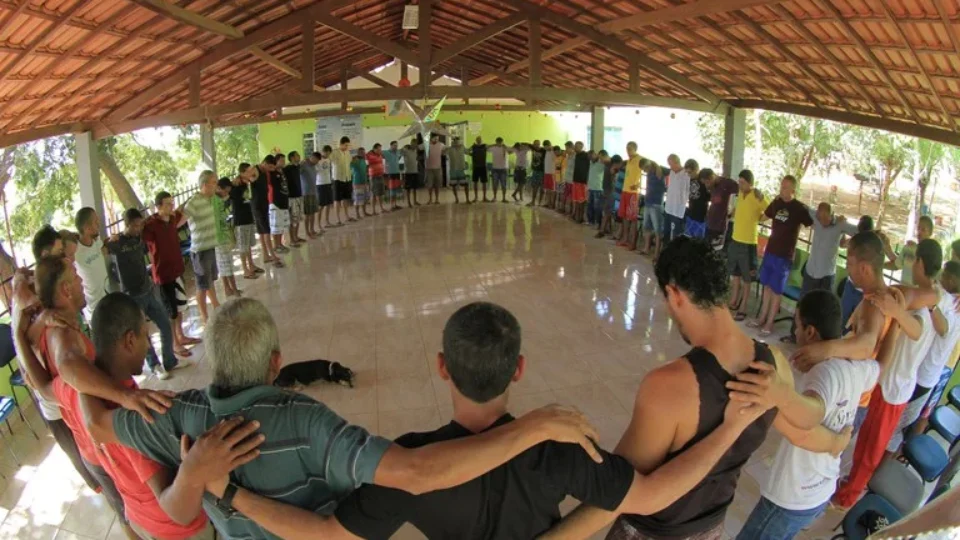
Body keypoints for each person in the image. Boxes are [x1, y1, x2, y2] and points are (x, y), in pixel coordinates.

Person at [200, 302, 771, 539]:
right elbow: (646, 496)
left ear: (441, 368)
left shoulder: (410, 463)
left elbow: (326, 535)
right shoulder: (561, 449)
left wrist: (232, 494)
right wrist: (728, 429)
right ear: (518, 369)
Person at [81, 297, 606, 540]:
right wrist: (533, 426)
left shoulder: (172, 414)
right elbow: (416, 473)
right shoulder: (308, 422)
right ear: (276, 363)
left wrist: (69, 361)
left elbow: (96, 424)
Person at [554, 237, 778, 540]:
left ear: (674, 293)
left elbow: (618, 491)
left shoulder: (669, 386)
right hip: (711, 530)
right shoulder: (772, 366)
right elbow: (812, 430)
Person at [22, 291, 217, 539]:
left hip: (137, 519)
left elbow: (43, 387)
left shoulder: (74, 390)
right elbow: (174, 503)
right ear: (128, 341)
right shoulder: (139, 415)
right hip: (174, 530)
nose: (148, 345)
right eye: (145, 336)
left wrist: (18, 334)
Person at [27, 256, 176, 536]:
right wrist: (125, 396)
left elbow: (44, 386)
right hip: (98, 449)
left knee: (127, 507)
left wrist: (23, 340)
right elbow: (70, 366)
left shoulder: (50, 327)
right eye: (75, 275)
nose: (82, 280)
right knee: (128, 513)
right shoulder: (65, 339)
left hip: (94, 448)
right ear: (66, 289)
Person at [730, 290, 876, 540]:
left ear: (810, 332)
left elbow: (807, 423)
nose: (794, 333)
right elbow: (879, 365)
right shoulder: (857, 367)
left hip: (792, 497)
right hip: (821, 491)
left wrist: (777, 395)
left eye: (796, 325)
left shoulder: (823, 374)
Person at [830, 239, 942, 509]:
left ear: (921, 265)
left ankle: (847, 498)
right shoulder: (918, 299)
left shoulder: (921, 315)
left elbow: (915, 330)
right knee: (864, 442)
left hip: (894, 391)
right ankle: (850, 483)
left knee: (870, 450)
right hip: (884, 384)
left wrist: (896, 311)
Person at [105, 208, 184, 379]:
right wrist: (108, 239)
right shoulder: (117, 243)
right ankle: (154, 364)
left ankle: (169, 360)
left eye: (140, 224)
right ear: (127, 225)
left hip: (147, 289)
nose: (139, 228)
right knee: (143, 332)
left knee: (164, 324)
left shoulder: (139, 238)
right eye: (135, 225)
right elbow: (102, 248)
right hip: (132, 296)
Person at [782, 203, 858, 343]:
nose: (822, 221)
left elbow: (858, 230)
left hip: (827, 275)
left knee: (823, 309)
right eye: (819, 217)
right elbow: (803, 206)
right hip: (811, 271)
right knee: (802, 304)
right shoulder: (815, 217)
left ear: (831, 214)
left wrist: (847, 228)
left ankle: (819, 342)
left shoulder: (840, 225)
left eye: (825, 218)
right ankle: (794, 335)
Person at [749, 175, 813, 336]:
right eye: (781, 186)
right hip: (770, 251)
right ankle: (761, 318)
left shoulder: (799, 208)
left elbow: (812, 224)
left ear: (793, 190)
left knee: (776, 290)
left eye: (785, 187)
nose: (782, 189)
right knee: (766, 287)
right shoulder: (777, 203)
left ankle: (769, 324)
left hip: (784, 256)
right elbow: (764, 216)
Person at [909, 260, 960, 436]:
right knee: (909, 418)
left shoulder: (951, 305)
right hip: (924, 370)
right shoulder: (948, 298)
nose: (940, 277)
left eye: (944, 275)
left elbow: (944, 328)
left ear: (952, 280)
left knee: (910, 421)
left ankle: (897, 455)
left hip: (927, 373)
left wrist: (932, 307)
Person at [183, 171, 223, 324]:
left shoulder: (210, 199)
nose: (216, 185)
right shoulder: (194, 202)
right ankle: (204, 317)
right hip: (200, 251)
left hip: (210, 247)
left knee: (210, 280)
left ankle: (216, 306)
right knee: (202, 285)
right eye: (214, 183)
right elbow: (181, 219)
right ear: (205, 185)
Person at [727, 170, 767, 322]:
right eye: (739, 182)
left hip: (749, 242)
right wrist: (733, 213)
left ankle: (743, 306)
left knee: (747, 277)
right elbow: (738, 209)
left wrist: (758, 219)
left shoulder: (756, 196)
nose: (740, 184)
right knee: (735, 274)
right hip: (736, 239)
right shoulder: (739, 194)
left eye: (743, 182)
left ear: (750, 183)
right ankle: (734, 300)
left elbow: (769, 211)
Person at [839, 215, 876, 329]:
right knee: (845, 321)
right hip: (852, 286)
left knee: (854, 324)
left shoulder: (872, 244)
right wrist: (843, 229)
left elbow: (842, 243)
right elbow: (842, 244)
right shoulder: (855, 240)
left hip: (864, 291)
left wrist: (842, 229)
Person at [73, 207, 110, 322]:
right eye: (95, 221)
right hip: (94, 310)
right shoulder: (76, 251)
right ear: (87, 228)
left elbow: (103, 251)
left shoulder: (96, 242)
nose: (99, 224)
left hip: (107, 300)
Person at [224, 165, 260, 280]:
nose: (252, 172)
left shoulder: (246, 183)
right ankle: (245, 269)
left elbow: (256, 175)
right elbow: (229, 197)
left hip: (248, 217)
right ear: (242, 172)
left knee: (248, 244)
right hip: (241, 220)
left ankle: (251, 265)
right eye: (249, 171)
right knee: (243, 246)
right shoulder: (235, 185)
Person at [882, 214, 934, 287]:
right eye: (918, 228)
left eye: (923, 230)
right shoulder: (909, 248)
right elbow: (896, 265)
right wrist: (879, 265)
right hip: (904, 293)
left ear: (930, 233)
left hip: (919, 295)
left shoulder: (932, 254)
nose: (919, 232)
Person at [214, 178, 240, 298]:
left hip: (227, 234)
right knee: (225, 264)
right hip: (220, 237)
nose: (227, 194)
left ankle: (229, 288)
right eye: (225, 192)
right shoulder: (215, 202)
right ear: (219, 188)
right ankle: (231, 288)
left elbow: (230, 217)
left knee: (226, 263)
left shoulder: (227, 200)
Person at [251, 156, 279, 267]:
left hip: (264, 203)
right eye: (270, 167)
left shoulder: (264, 172)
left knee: (262, 232)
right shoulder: (255, 170)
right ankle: (272, 255)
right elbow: (247, 178)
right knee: (266, 231)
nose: (271, 169)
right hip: (257, 205)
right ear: (264, 163)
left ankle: (265, 256)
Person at [616, 143, 642, 250]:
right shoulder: (628, 161)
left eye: (630, 149)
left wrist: (638, 184)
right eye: (627, 149)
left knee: (633, 218)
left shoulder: (640, 159)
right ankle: (625, 239)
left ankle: (633, 242)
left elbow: (650, 166)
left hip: (633, 193)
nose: (628, 151)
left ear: (635, 149)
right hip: (625, 191)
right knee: (624, 217)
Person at [639, 160, 666, 258]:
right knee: (647, 226)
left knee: (657, 229)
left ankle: (656, 253)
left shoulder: (660, 172)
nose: (645, 172)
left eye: (645, 169)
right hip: (648, 202)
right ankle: (646, 248)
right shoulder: (649, 174)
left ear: (648, 167)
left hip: (656, 204)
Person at [705, 174, 739, 249]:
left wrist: (734, 210)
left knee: (716, 250)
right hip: (710, 223)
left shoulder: (727, 183)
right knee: (707, 249)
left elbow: (741, 192)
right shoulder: (712, 187)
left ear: (712, 177)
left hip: (720, 225)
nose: (706, 185)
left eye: (707, 182)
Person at [662, 155, 690, 243]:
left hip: (678, 211)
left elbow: (688, 191)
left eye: (671, 164)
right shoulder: (671, 172)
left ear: (677, 162)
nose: (670, 167)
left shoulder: (686, 174)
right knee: (666, 233)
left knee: (675, 236)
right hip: (668, 208)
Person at [595, 154, 623, 239]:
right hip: (611, 192)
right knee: (608, 212)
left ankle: (604, 229)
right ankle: (603, 230)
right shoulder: (612, 169)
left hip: (608, 191)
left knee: (608, 212)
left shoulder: (608, 167)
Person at [268, 153, 292, 252]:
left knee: (281, 225)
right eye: (281, 160)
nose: (283, 162)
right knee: (275, 226)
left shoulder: (282, 172)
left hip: (284, 202)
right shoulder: (271, 173)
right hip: (275, 203)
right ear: (275, 162)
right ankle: (276, 246)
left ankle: (280, 244)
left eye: (284, 160)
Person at [283, 151, 306, 246]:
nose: (299, 156)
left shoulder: (297, 167)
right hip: (291, 197)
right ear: (292, 157)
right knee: (293, 220)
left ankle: (296, 237)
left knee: (298, 219)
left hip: (299, 196)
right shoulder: (287, 168)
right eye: (297, 155)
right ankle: (292, 240)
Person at [331, 136, 354, 223]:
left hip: (347, 178)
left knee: (346, 199)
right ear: (341, 144)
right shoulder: (334, 152)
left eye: (348, 145)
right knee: (337, 200)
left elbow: (350, 162)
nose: (347, 147)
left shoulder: (348, 153)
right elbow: (327, 159)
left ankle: (347, 216)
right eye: (345, 145)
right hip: (338, 179)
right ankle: (338, 219)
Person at [299, 151, 321, 238]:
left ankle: (312, 230)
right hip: (306, 193)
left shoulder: (314, 166)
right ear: (312, 157)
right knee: (307, 214)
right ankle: (307, 232)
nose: (317, 162)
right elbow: (298, 172)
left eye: (318, 161)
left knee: (313, 213)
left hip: (313, 192)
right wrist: (301, 163)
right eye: (316, 160)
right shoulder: (304, 165)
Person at [684, 169, 711, 239]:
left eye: (690, 172)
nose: (688, 175)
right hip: (690, 215)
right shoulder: (690, 180)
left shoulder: (704, 181)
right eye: (687, 173)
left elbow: (710, 197)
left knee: (698, 241)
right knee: (687, 239)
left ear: (695, 169)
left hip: (700, 217)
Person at [316, 145, 337, 227]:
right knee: (321, 205)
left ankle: (327, 222)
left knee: (328, 204)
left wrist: (331, 181)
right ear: (323, 151)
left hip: (328, 183)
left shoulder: (329, 160)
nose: (328, 154)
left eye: (329, 153)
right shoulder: (318, 160)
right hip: (320, 184)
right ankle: (319, 224)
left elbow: (329, 171)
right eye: (327, 153)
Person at [571, 141, 590, 223]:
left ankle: (581, 217)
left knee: (581, 201)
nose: (575, 148)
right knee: (577, 200)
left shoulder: (586, 155)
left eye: (577, 146)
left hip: (582, 182)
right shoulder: (576, 155)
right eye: (575, 146)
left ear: (581, 147)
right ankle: (576, 215)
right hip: (576, 180)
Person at [447, 136, 469, 204]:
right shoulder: (450, 149)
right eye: (455, 140)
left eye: (457, 140)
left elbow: (468, 152)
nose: (456, 142)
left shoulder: (462, 147)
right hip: (453, 169)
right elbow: (443, 153)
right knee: (454, 186)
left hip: (460, 169)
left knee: (465, 185)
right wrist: (450, 147)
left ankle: (467, 199)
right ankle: (456, 199)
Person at [424, 135, 445, 205]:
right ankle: (430, 199)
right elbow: (418, 147)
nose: (436, 140)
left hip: (438, 168)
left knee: (437, 185)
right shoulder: (426, 144)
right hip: (429, 168)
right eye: (435, 138)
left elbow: (446, 149)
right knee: (429, 185)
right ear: (431, 138)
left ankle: (437, 199)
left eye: (437, 139)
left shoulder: (441, 145)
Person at [383, 140, 404, 210]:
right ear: (391, 145)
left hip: (397, 173)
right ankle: (392, 206)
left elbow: (398, 158)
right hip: (390, 173)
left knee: (395, 189)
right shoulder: (386, 152)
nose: (396, 147)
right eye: (394, 145)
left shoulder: (398, 152)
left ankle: (395, 205)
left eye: (396, 145)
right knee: (391, 190)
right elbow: (377, 153)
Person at [367, 144, 388, 214]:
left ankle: (381, 208)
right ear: (374, 149)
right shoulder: (369, 155)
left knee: (380, 193)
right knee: (374, 193)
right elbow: (366, 163)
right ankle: (373, 211)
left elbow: (383, 162)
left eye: (380, 149)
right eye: (379, 149)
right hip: (373, 177)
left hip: (380, 176)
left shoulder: (380, 155)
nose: (380, 151)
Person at [587, 150, 606, 226]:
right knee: (590, 206)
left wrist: (601, 158)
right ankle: (590, 221)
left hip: (598, 189)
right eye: (589, 157)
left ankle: (598, 223)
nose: (591, 158)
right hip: (590, 188)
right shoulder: (591, 163)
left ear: (596, 155)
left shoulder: (601, 163)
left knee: (597, 207)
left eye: (592, 156)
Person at [351, 149, 371, 219]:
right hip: (357, 182)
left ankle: (364, 212)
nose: (363, 153)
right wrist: (353, 159)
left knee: (364, 198)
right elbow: (350, 166)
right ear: (358, 153)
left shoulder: (363, 160)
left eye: (364, 152)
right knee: (358, 199)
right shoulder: (355, 160)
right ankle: (357, 214)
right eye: (362, 152)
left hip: (364, 182)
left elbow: (365, 170)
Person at [402, 138, 421, 207]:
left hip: (415, 171)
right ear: (411, 143)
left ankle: (415, 201)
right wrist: (404, 147)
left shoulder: (415, 151)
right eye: (413, 144)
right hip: (408, 172)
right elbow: (401, 151)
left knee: (415, 188)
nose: (415, 145)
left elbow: (415, 159)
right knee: (408, 189)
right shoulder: (406, 150)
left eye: (416, 144)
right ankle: (409, 202)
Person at [489, 137, 509, 203]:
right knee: (495, 184)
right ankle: (494, 197)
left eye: (501, 142)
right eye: (498, 142)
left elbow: (511, 151)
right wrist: (493, 145)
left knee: (503, 185)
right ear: (496, 142)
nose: (500, 143)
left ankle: (504, 198)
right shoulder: (493, 148)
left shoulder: (505, 148)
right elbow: (486, 147)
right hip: (495, 169)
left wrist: (505, 146)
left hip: (503, 169)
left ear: (502, 142)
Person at [528, 139, 546, 207]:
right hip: (535, 171)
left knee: (542, 188)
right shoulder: (533, 148)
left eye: (538, 144)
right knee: (535, 187)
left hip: (542, 171)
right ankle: (533, 201)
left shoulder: (543, 150)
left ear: (540, 144)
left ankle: (540, 202)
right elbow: (526, 144)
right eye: (535, 144)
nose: (536, 145)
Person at [470, 136, 489, 202]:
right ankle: (476, 197)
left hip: (483, 167)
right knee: (475, 182)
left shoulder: (485, 146)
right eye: (477, 139)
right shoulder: (473, 146)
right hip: (475, 167)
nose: (479, 140)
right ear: (476, 140)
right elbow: (468, 151)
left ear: (481, 140)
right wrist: (471, 151)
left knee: (484, 183)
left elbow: (491, 147)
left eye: (480, 139)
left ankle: (484, 197)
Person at [558, 141, 575, 214]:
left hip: (573, 180)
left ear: (571, 148)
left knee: (571, 197)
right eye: (566, 148)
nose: (566, 150)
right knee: (565, 195)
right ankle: (563, 209)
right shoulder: (568, 156)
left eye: (567, 148)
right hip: (567, 179)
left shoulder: (575, 156)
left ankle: (571, 211)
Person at [541, 139, 556, 208]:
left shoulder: (553, 151)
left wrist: (552, 148)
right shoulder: (546, 151)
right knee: (547, 189)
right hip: (546, 173)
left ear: (549, 145)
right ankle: (547, 203)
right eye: (544, 147)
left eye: (546, 146)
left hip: (552, 173)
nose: (545, 148)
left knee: (552, 190)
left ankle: (552, 204)